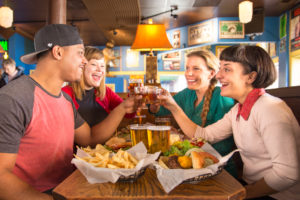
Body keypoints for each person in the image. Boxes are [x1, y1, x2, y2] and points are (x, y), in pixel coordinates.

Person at [0, 24, 139, 200]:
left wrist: (124, 108)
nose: (84, 61)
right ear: (58, 52)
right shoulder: (14, 98)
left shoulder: (65, 101)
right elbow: (1, 178)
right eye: (80, 53)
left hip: (70, 188)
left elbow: (89, 138)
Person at [158, 45, 300, 200]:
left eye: (227, 69)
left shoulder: (270, 109)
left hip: (276, 195)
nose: (218, 75)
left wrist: (240, 194)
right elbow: (203, 134)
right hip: (249, 187)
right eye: (220, 69)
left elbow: (287, 174)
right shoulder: (238, 109)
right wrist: (173, 107)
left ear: (250, 77)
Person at [149, 50, 237, 177]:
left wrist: (182, 138)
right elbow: (160, 110)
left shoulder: (221, 97)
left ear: (211, 73)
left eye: (196, 68)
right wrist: (154, 103)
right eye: (187, 68)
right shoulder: (188, 94)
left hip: (219, 171)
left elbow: (221, 147)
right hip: (191, 167)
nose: (189, 73)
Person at [62, 46, 135, 142]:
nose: (100, 70)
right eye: (94, 64)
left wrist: (134, 101)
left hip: (104, 153)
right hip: (75, 155)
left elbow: (129, 114)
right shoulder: (65, 93)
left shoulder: (106, 92)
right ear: (82, 66)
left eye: (102, 66)